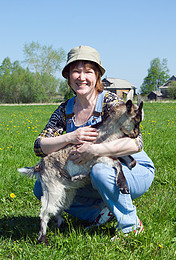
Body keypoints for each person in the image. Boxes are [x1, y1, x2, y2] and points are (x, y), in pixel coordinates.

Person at [33, 45, 155, 238]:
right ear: (68, 76)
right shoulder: (65, 109)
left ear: (97, 76)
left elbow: (136, 143)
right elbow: (39, 146)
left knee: (100, 170)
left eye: (88, 71)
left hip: (131, 169)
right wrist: (70, 137)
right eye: (76, 71)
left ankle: (130, 226)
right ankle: (99, 214)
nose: (82, 77)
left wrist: (96, 149)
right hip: (90, 174)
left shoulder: (112, 103)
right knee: (42, 184)